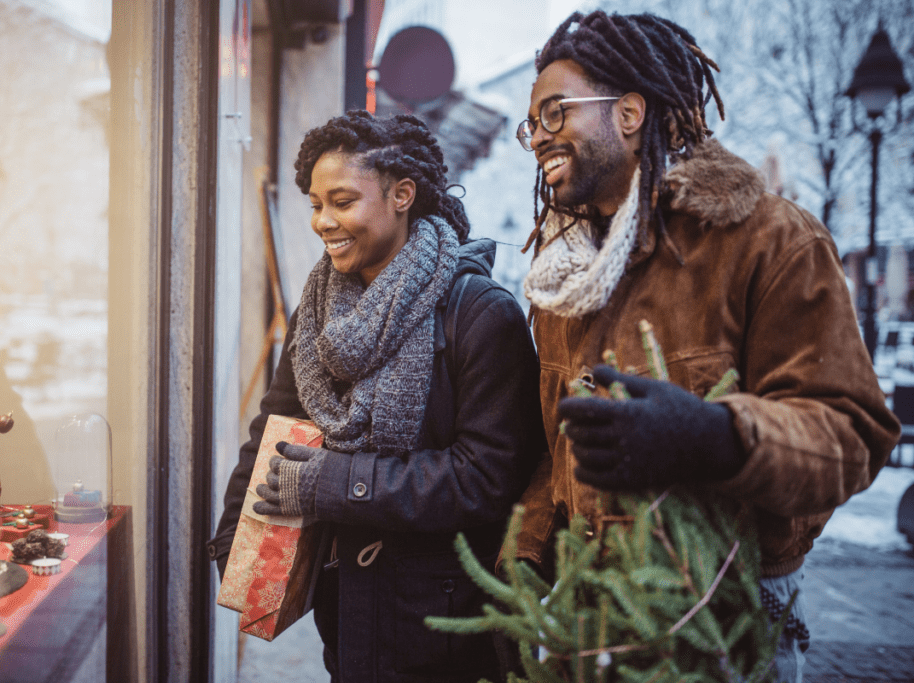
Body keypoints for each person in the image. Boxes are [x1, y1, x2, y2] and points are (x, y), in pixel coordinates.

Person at [512, 10, 900, 682]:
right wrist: (523, 562)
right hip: (590, 614)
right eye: (532, 124)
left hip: (728, 616)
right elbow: (560, 452)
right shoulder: (561, 279)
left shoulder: (767, 239)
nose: (538, 138)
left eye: (555, 113)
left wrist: (713, 436)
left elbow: (854, 432)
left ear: (629, 113)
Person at [207, 110, 545, 682]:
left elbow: (488, 479)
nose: (323, 221)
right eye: (315, 205)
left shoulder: (481, 314)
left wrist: (333, 484)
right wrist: (233, 548)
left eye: (342, 201)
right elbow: (275, 430)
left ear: (402, 195)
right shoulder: (317, 314)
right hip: (348, 616)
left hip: (450, 627)